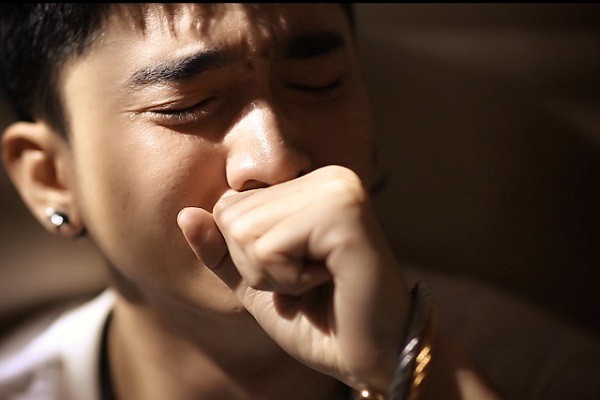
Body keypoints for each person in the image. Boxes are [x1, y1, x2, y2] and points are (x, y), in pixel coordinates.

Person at [0, 3, 585, 400]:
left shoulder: (532, 370)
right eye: (188, 105)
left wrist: (401, 363)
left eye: (318, 82)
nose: (275, 157)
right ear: (50, 177)